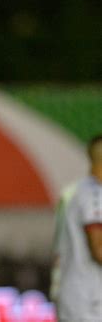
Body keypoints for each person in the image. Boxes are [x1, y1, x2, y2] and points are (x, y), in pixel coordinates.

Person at [51, 134, 102, 321]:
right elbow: (98, 250)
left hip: (77, 297)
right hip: (89, 301)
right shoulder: (95, 196)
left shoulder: (77, 192)